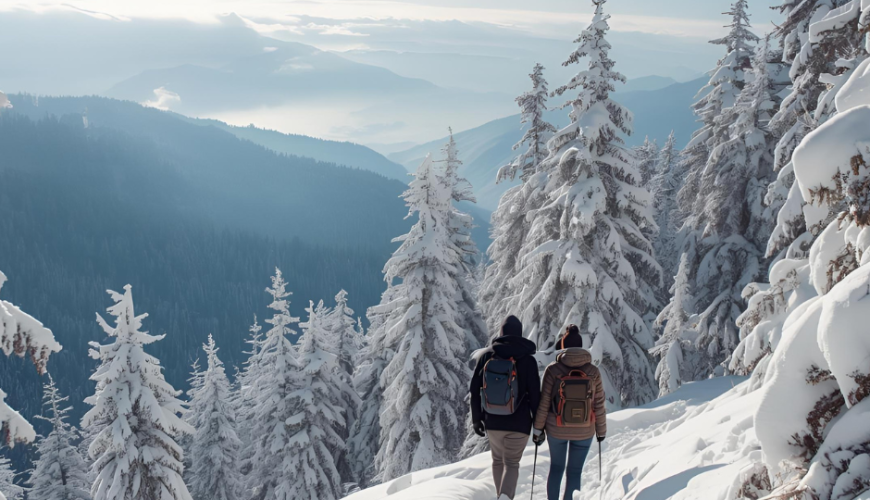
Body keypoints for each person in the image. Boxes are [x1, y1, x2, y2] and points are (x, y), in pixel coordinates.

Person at [470, 315, 541, 500]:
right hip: (520, 423)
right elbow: (535, 396)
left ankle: (500, 495)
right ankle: (505, 497)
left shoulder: (487, 356)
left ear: (501, 332)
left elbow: (474, 389)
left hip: (492, 419)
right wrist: (539, 427)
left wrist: (477, 418)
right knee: (512, 463)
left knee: (497, 461)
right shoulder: (527, 360)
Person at [532, 325, 606, 500]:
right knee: (574, 471)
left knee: (556, 468)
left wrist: (538, 429)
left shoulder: (553, 370)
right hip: (585, 429)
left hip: (556, 428)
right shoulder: (593, 372)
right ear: (581, 347)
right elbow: (599, 404)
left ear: (563, 347)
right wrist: (601, 431)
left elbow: (544, 402)